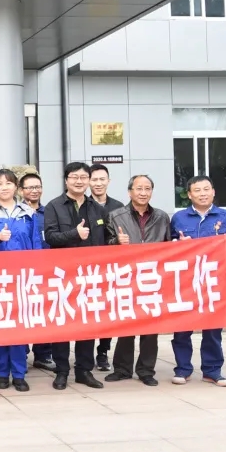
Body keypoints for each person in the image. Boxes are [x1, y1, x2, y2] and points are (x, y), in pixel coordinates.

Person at [0, 169, 42, 392]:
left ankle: (19, 374)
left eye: (8, 183)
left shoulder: (28, 212)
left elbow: (35, 245)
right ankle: (2, 373)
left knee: (20, 328)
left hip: (22, 278)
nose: (4, 187)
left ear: (16, 187)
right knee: (1, 327)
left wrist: (36, 274)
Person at [169, 175, 226, 387]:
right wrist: (179, 244)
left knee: (213, 329)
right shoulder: (179, 218)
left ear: (213, 192)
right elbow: (168, 248)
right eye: (197, 190)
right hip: (186, 282)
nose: (202, 194)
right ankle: (183, 369)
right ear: (189, 194)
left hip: (214, 282)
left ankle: (212, 370)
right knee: (182, 328)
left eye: (206, 189)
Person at [43, 162, 106, 391]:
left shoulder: (97, 208)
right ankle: (61, 371)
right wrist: (75, 234)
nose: (79, 181)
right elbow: (50, 237)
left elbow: (103, 240)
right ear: (66, 180)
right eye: (74, 177)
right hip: (63, 275)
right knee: (62, 323)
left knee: (86, 324)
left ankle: (84, 370)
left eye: (83, 177)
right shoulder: (53, 206)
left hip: (89, 275)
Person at [104, 175, 170, 387]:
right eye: (139, 188)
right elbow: (103, 247)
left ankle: (146, 370)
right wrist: (116, 242)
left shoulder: (162, 217)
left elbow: (170, 247)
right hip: (126, 277)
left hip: (153, 278)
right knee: (126, 325)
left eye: (147, 188)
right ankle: (122, 369)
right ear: (129, 191)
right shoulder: (115, 215)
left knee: (150, 328)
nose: (143, 193)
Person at [19, 172, 55, 371]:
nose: (34, 191)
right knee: (22, 312)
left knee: (44, 313)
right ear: (21, 190)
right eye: (30, 187)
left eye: (37, 187)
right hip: (22, 272)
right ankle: (21, 353)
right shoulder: (16, 213)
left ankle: (43, 355)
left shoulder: (49, 212)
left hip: (46, 270)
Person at [89, 163, 123, 373]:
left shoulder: (119, 207)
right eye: (94, 179)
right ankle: (85, 354)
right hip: (88, 268)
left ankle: (103, 352)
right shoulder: (83, 206)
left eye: (102, 179)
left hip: (112, 268)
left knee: (107, 312)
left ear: (108, 181)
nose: (98, 183)